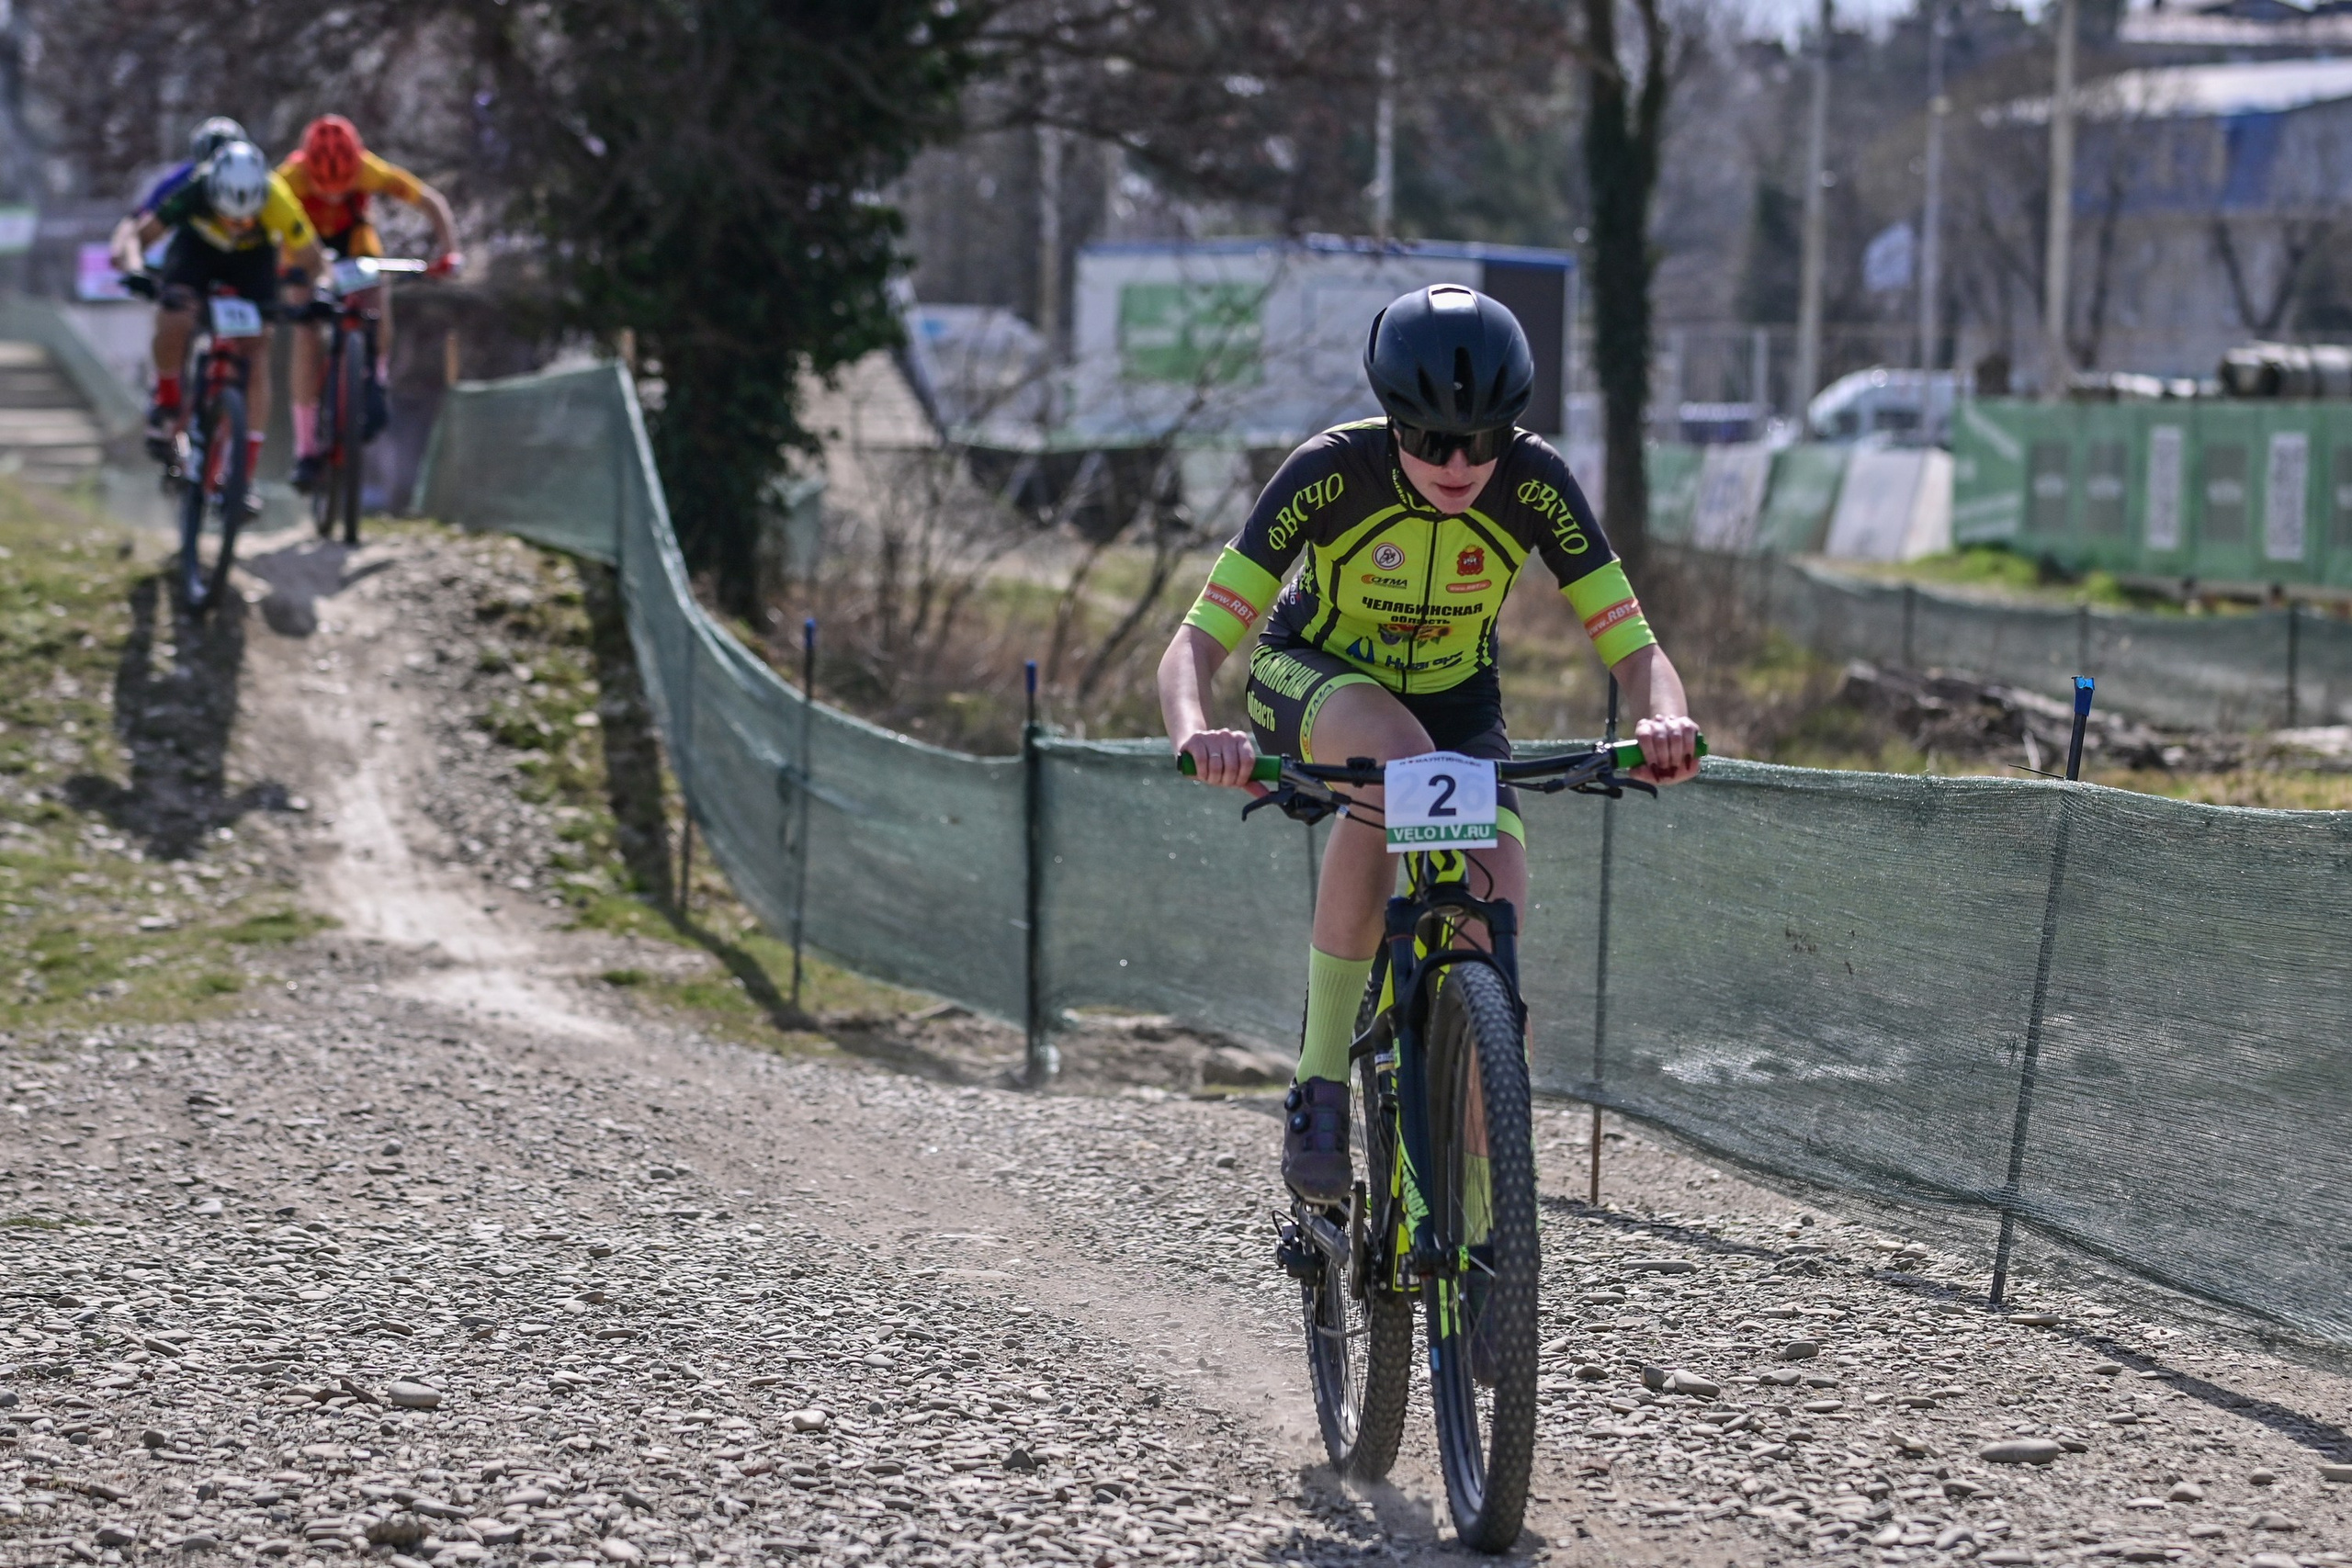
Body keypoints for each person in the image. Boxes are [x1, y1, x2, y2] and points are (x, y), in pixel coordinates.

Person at [1157, 284, 1702, 1202]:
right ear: (1390, 421)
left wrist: (1665, 720)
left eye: (1481, 442)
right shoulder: (1330, 472)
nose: (1457, 464)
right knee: (1399, 764)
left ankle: (1476, 1209)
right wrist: (1196, 732)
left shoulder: (1535, 482)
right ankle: (1319, 1081)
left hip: (1457, 702)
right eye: (1428, 438)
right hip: (1312, 673)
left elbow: (1635, 650)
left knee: (1496, 905)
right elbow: (1194, 645)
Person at [112, 141, 325, 501]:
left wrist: (317, 291)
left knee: (257, 351)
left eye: (246, 219)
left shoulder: (277, 198)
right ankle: (168, 398)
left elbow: (313, 259)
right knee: (174, 316)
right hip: (198, 252)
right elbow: (142, 235)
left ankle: (243, 475)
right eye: (228, 217)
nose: (237, 226)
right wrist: (135, 270)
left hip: (253, 262)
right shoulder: (195, 188)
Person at [275, 115, 462, 491]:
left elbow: (430, 200)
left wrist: (451, 252)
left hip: (355, 243)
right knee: (306, 334)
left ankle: (376, 375)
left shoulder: (368, 169)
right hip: (305, 249)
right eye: (322, 188)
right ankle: (306, 448)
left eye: (342, 187)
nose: (332, 196)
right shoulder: (287, 178)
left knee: (377, 294)